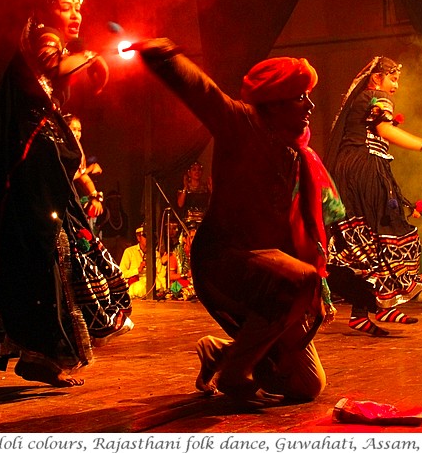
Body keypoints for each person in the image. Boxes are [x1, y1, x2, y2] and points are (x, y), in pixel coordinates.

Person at [130, 38, 344, 406]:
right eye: (300, 97)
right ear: (274, 102)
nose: (309, 105)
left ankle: (222, 353)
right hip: (224, 260)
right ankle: (234, 374)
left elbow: (294, 231)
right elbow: (203, 92)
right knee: (301, 280)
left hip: (269, 272)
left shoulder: (296, 153)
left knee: (306, 386)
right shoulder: (241, 122)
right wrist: (163, 54)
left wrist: (312, 295)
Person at [0, 0, 132, 387]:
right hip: (24, 166)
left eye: (80, 9)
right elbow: (53, 68)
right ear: (49, 11)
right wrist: (91, 57)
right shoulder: (44, 35)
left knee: (47, 253)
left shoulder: (51, 44)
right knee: (43, 252)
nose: (76, 15)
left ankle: (40, 353)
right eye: (68, 7)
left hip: (30, 167)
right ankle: (40, 352)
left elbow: (57, 82)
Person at [324, 56, 422, 336]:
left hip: (359, 168)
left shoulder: (365, 99)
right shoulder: (376, 96)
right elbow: (384, 129)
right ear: (377, 78)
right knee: (381, 235)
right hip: (364, 169)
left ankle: (378, 306)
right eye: (393, 78)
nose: (395, 86)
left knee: (375, 239)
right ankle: (369, 309)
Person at [64, 113, 104, 220]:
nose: (77, 134)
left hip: (70, 197)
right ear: (65, 128)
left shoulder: (78, 150)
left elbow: (84, 179)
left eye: (79, 130)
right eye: (74, 129)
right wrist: (90, 169)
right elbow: (66, 176)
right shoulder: (61, 148)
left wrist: (94, 197)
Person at [120, 224, 166, 299]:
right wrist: (137, 270)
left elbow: (161, 275)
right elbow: (121, 274)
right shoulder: (129, 252)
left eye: (150, 236)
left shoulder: (156, 254)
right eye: (145, 236)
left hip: (153, 287)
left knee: (159, 285)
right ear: (138, 238)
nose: (148, 239)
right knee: (139, 288)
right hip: (136, 286)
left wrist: (164, 289)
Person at [176, 161, 212, 227]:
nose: (197, 172)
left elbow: (210, 205)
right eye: (194, 169)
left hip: (203, 222)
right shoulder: (184, 187)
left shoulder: (206, 188)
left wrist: (211, 191)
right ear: (189, 173)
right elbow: (180, 204)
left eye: (199, 170)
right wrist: (185, 188)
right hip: (188, 223)